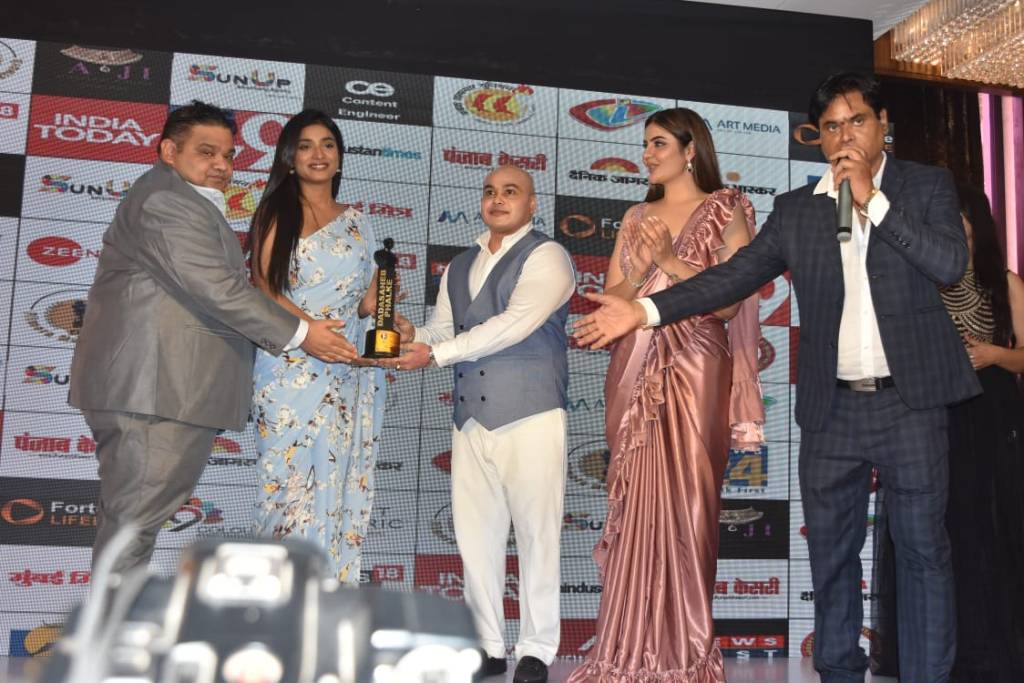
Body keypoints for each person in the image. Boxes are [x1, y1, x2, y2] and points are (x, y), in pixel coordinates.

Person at [573, 72, 980, 683]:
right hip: (831, 411)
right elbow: (731, 279)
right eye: (832, 127)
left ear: (883, 124)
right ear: (819, 138)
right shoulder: (796, 209)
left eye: (857, 121)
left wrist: (873, 200)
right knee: (831, 558)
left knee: (923, 551)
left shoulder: (926, 186)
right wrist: (645, 311)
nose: (845, 136)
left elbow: (948, 263)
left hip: (911, 403)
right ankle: (839, 673)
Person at [69, 101, 357, 574]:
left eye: (228, 155)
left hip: (163, 392)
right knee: (133, 525)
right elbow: (217, 289)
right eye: (206, 153)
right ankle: (113, 621)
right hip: (156, 392)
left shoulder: (178, 198)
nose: (222, 165)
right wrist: (303, 333)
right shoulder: (166, 201)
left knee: (133, 523)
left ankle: (116, 616)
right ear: (168, 151)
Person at [567, 108, 763, 682]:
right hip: (634, 365)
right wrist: (641, 269)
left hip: (697, 363)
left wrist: (671, 263)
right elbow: (615, 296)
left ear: (690, 149)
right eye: (645, 144)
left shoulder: (727, 208)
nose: (647, 154)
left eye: (658, 143)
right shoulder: (636, 216)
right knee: (636, 505)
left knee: (690, 508)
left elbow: (730, 302)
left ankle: (685, 657)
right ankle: (625, 653)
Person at [379, 166, 574, 683]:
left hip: (532, 415)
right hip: (469, 420)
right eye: (490, 191)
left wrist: (435, 353)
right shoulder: (460, 264)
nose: (498, 199)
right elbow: (445, 328)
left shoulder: (549, 256)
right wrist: (413, 335)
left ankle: (536, 650)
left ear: (532, 204)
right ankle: (487, 646)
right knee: (475, 538)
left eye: (511, 192)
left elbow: (513, 324)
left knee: (537, 536)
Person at [247, 109, 387, 585]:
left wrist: (391, 312)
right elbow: (264, 288)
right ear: (289, 157)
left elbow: (366, 303)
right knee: (288, 491)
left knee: (341, 486)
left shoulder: (358, 221)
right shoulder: (276, 211)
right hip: (290, 367)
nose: (318, 154)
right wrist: (309, 332)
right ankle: (277, 606)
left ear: (340, 157)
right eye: (305, 146)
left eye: (328, 144)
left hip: (349, 370)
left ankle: (329, 603)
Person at [939, 185, 1024, 682]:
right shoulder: (927, 280)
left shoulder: (1005, 283)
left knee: (998, 526)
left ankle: (998, 646)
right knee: (951, 531)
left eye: (960, 215)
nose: (954, 224)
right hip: (942, 414)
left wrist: (993, 355)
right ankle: (951, 649)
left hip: (995, 416)